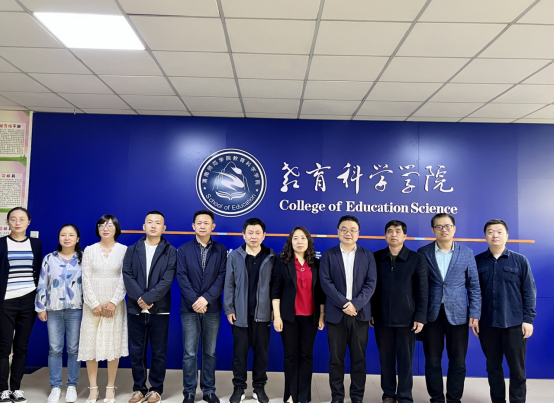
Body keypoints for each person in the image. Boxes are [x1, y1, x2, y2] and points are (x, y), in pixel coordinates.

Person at [417, 213, 481, 403]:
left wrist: (475, 312)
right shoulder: (423, 252)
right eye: (439, 226)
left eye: (447, 226)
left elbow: (474, 286)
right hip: (431, 315)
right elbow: (419, 286)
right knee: (432, 361)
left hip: (459, 314)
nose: (443, 229)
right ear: (433, 230)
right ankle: (436, 398)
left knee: (458, 361)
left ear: (454, 228)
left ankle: (454, 399)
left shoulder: (466, 253)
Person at [475, 219, 537, 403]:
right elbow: (473, 292)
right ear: (485, 236)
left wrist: (528, 319)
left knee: (517, 370)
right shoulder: (477, 261)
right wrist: (475, 317)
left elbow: (529, 291)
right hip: (487, 324)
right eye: (490, 232)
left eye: (499, 231)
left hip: (515, 324)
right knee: (493, 368)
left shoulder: (520, 261)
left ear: (507, 235)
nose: (495, 235)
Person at [319, 215, 377, 403]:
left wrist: (356, 304)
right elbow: (325, 283)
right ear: (338, 232)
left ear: (358, 233)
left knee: (359, 359)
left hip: (360, 315)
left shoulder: (368, 255)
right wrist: (345, 304)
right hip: (336, 315)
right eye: (344, 229)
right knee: (336, 359)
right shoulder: (328, 255)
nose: (348, 233)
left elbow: (371, 284)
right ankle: (337, 397)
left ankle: (357, 397)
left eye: (352, 230)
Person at [370, 220, 428, 403]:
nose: (393, 234)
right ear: (385, 235)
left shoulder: (416, 259)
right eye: (389, 231)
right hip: (381, 319)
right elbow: (371, 288)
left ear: (405, 235)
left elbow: (423, 290)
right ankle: (388, 395)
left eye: (397, 231)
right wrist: (371, 312)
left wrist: (420, 316)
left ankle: (404, 396)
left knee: (405, 361)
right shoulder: (376, 257)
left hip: (407, 320)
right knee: (385, 360)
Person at [123, 211, 177, 403]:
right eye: (150, 222)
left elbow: (168, 279)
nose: (153, 225)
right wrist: (140, 298)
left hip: (160, 309)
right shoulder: (132, 249)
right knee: (137, 352)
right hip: (135, 308)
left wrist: (148, 298)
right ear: (144, 226)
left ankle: (156, 389)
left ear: (164, 228)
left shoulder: (170, 251)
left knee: (159, 352)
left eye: (158, 223)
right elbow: (127, 274)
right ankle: (139, 388)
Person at [224, 218, 276, 403]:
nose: (254, 236)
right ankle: (239, 387)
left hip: (263, 314)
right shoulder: (234, 256)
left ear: (264, 235)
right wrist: (229, 308)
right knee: (239, 355)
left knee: (262, 354)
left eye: (257, 233)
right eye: (250, 233)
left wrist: (273, 310)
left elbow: (275, 286)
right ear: (243, 235)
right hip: (240, 314)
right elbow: (229, 284)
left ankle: (259, 387)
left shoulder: (271, 256)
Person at [77, 215, 128, 403]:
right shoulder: (89, 250)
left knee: (112, 346)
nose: (105, 228)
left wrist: (114, 302)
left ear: (116, 229)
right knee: (91, 347)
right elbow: (85, 278)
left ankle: (110, 388)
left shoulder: (124, 250)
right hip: (92, 306)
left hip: (115, 306)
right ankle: (93, 389)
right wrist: (93, 304)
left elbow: (125, 279)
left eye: (109, 225)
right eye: (101, 225)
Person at [177, 210, 226, 403]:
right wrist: (195, 301)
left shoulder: (221, 250)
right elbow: (181, 276)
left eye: (207, 223)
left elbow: (222, 277)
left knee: (210, 352)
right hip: (189, 308)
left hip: (212, 308)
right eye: (199, 223)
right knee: (189, 353)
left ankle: (208, 390)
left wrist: (206, 299)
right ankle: (189, 391)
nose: (203, 226)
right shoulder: (183, 249)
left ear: (213, 226)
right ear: (193, 226)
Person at [272, 226, 326, 403]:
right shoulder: (282, 262)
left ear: (308, 241)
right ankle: (290, 394)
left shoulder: (316, 264)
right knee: (290, 356)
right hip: (289, 317)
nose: (299, 241)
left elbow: (321, 293)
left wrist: (321, 315)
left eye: (303, 238)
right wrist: (277, 316)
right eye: (295, 238)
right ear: (290, 242)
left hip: (310, 317)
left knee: (306, 356)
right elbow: (275, 291)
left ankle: (303, 396)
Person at [35, 224, 84, 403]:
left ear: (77, 239)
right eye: (63, 235)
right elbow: (42, 282)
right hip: (53, 309)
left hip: (76, 310)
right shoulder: (50, 258)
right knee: (55, 349)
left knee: (73, 349)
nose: (67, 238)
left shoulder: (84, 258)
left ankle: (72, 385)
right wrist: (41, 307)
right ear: (59, 238)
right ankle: (55, 386)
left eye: (71, 235)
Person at [0, 207, 42, 403]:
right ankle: (3, 389)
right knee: (3, 347)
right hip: (5, 301)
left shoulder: (36, 244)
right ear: (8, 222)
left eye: (22, 219)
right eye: (13, 219)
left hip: (28, 302)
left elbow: (38, 271)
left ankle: (16, 388)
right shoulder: (1, 243)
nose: (17, 222)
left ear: (28, 222)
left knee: (21, 347)